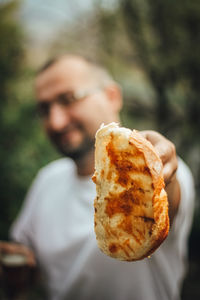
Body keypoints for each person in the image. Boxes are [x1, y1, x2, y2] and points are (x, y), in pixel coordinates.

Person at [0, 55, 195, 300]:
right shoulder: (46, 180)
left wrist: (155, 169)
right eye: (44, 109)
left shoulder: (163, 175)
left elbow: (168, 197)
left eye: (68, 99)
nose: (55, 121)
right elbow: (25, 256)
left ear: (112, 96)